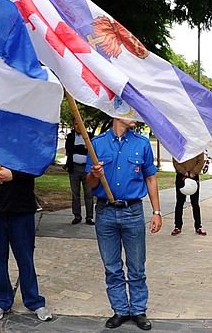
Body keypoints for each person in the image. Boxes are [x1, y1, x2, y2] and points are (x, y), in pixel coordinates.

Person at [87, 117, 162, 331]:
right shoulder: (98, 143)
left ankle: (138, 310)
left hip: (133, 211)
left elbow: (150, 178)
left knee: (137, 266)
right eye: (130, 111)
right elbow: (90, 184)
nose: (136, 115)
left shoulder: (142, 143)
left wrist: (157, 212)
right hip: (105, 212)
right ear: (116, 114)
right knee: (112, 267)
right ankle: (120, 310)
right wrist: (94, 174)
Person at [0, 156, 53, 322]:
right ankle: (1, 300)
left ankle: (33, 300)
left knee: (25, 256)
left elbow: (38, 162)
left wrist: (14, 175)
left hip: (20, 207)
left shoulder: (24, 134)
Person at [65, 126, 94, 225]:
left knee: (89, 194)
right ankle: (77, 216)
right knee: (75, 193)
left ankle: (89, 217)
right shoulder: (70, 136)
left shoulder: (89, 136)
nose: (78, 126)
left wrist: (77, 148)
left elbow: (91, 150)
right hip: (74, 168)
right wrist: (82, 147)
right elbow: (69, 149)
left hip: (87, 168)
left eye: (79, 123)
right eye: (75, 124)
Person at [172, 153, 206, 236]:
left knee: (195, 203)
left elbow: (201, 161)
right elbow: (175, 161)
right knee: (179, 203)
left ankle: (198, 226)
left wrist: (193, 172)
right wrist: (184, 172)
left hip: (194, 177)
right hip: (181, 177)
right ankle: (177, 226)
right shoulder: (179, 147)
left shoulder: (197, 147)